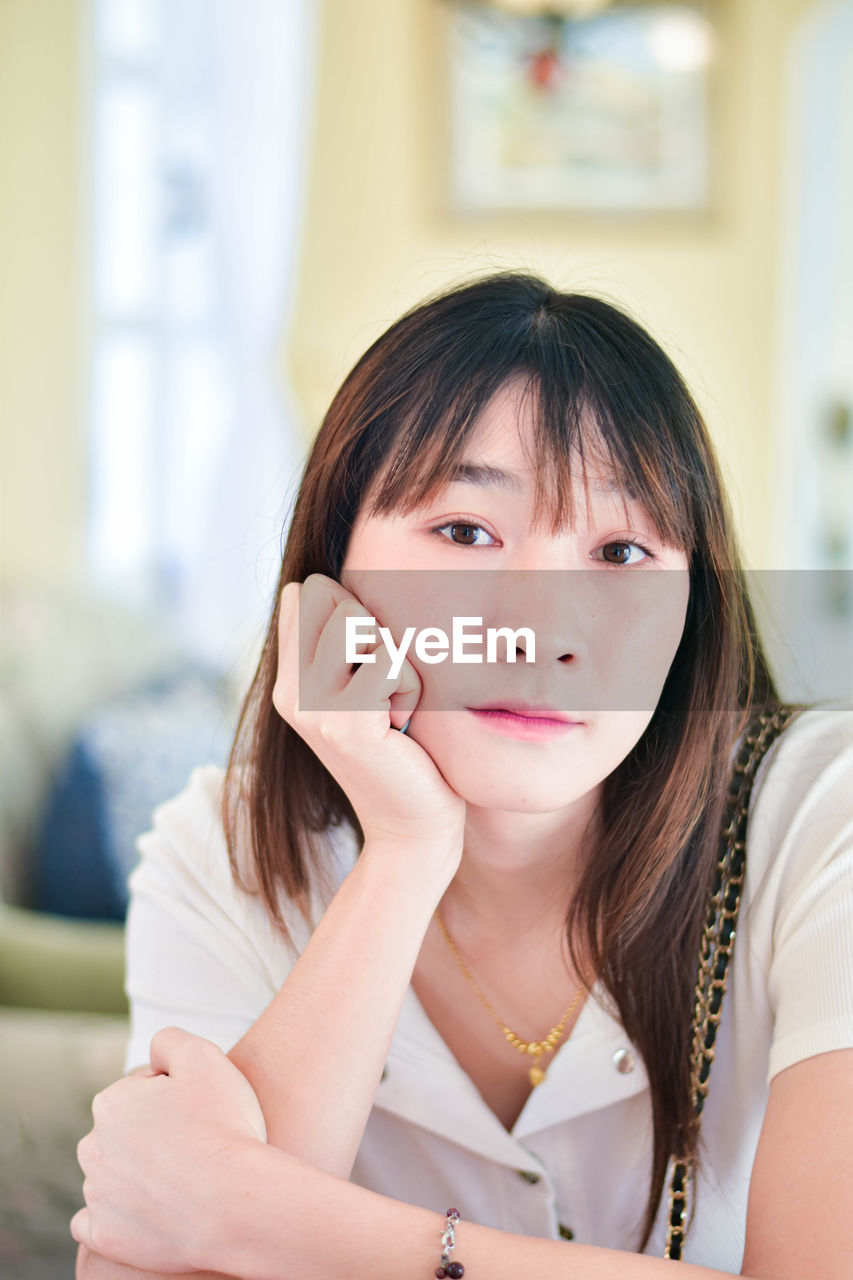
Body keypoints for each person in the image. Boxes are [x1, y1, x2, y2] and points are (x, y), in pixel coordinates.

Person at [72, 273, 853, 1280]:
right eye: (465, 531)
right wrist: (405, 852)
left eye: (620, 549)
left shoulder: (818, 820)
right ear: (333, 576)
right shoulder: (221, 855)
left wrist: (264, 1217)